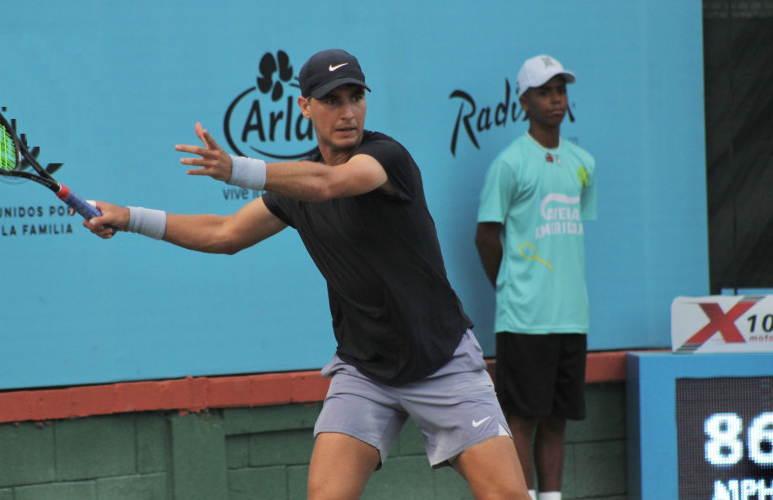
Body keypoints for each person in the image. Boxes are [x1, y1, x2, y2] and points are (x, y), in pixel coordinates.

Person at [79, 49, 530, 500]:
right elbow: (224, 233)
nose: (347, 112)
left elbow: (328, 184)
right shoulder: (295, 188)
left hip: (440, 360)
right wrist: (130, 217)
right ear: (304, 106)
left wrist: (236, 168)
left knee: (507, 496)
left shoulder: (386, 158)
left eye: (356, 97)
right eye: (332, 100)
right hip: (365, 370)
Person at [474, 55, 596, 500]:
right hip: (525, 319)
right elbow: (486, 237)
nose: (555, 100)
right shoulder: (510, 164)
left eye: (560, 90)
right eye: (544, 92)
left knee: (557, 420)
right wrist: (511, 290)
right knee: (521, 420)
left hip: (571, 317)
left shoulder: (583, 164)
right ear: (524, 101)